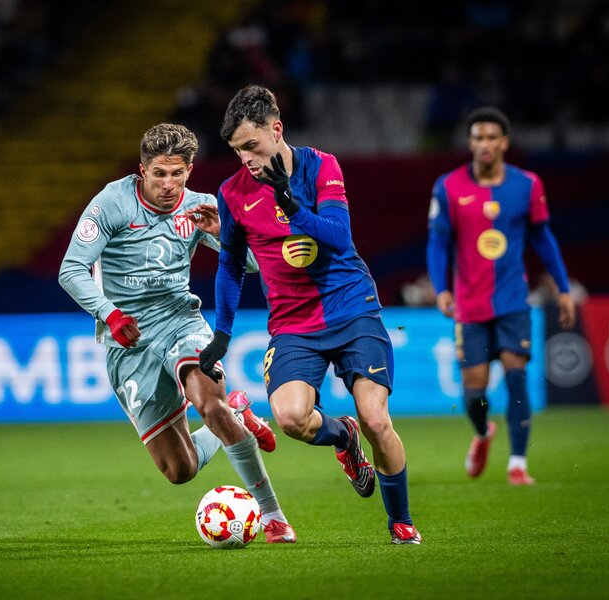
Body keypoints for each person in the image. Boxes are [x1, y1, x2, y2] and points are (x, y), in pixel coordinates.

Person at [198, 85, 421, 545]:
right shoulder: (233, 193)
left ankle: (401, 522)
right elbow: (230, 266)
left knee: (378, 419)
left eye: (252, 146)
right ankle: (343, 438)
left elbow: (339, 236)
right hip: (293, 325)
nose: (246, 159)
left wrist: (293, 205)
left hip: (351, 307)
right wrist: (222, 332)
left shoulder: (322, 166)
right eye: (237, 150)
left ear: (276, 130)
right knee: (291, 418)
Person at [58, 123, 296, 543]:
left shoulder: (202, 206)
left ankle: (272, 514)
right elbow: (71, 269)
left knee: (209, 402)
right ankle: (240, 416)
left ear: (189, 170)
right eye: (159, 175)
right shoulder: (112, 203)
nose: (169, 185)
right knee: (179, 470)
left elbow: (260, 266)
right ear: (142, 171)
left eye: (178, 174)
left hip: (181, 322)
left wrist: (224, 233)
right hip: (128, 342)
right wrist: (110, 314)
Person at [426, 106, 576, 486]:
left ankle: (518, 463)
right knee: (474, 395)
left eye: (492, 137)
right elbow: (438, 244)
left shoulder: (527, 185)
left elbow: (543, 238)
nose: (485, 144)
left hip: (512, 300)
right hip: (470, 305)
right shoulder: (448, 186)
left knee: (516, 377)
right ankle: (483, 433)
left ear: (505, 142)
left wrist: (563, 288)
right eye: (478, 137)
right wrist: (442, 289)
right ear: (470, 143)